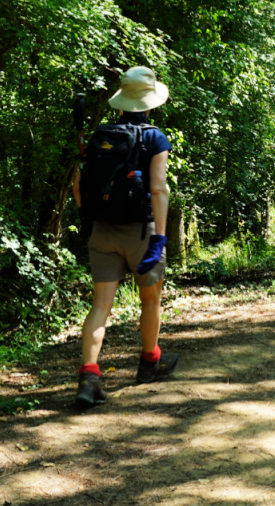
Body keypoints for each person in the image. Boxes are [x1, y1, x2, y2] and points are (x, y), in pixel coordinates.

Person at [73, 66, 179, 408]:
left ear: (121, 101)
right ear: (149, 102)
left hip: (103, 232)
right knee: (150, 300)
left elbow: (80, 188)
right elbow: (159, 188)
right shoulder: (154, 137)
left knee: (100, 306)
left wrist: (95, 218)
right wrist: (160, 238)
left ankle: (89, 378)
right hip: (142, 233)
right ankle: (150, 362)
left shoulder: (101, 135)